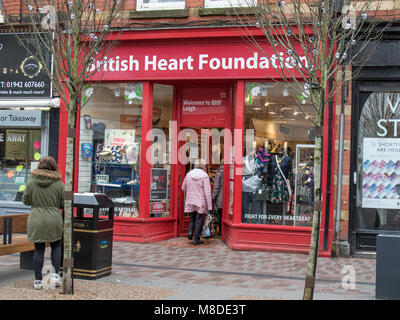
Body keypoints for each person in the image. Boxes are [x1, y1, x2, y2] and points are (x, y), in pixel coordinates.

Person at [22, 156, 65, 290]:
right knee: (56, 246)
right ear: (54, 167)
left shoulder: (31, 182)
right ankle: (56, 275)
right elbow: (63, 203)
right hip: (54, 218)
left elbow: (26, 201)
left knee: (39, 249)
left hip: (36, 218)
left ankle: (38, 280)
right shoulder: (59, 183)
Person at [181, 159, 212, 245]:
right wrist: (210, 206)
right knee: (199, 219)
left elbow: (183, 187)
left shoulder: (188, 174)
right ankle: (196, 238)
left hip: (190, 200)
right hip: (200, 201)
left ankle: (190, 232)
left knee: (192, 216)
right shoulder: (205, 176)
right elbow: (207, 192)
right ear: (203, 166)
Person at [212, 162, 223, 234]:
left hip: (220, 196)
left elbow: (216, 187)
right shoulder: (231, 172)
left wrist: (213, 197)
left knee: (220, 214)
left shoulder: (219, 173)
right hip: (229, 198)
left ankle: (221, 231)